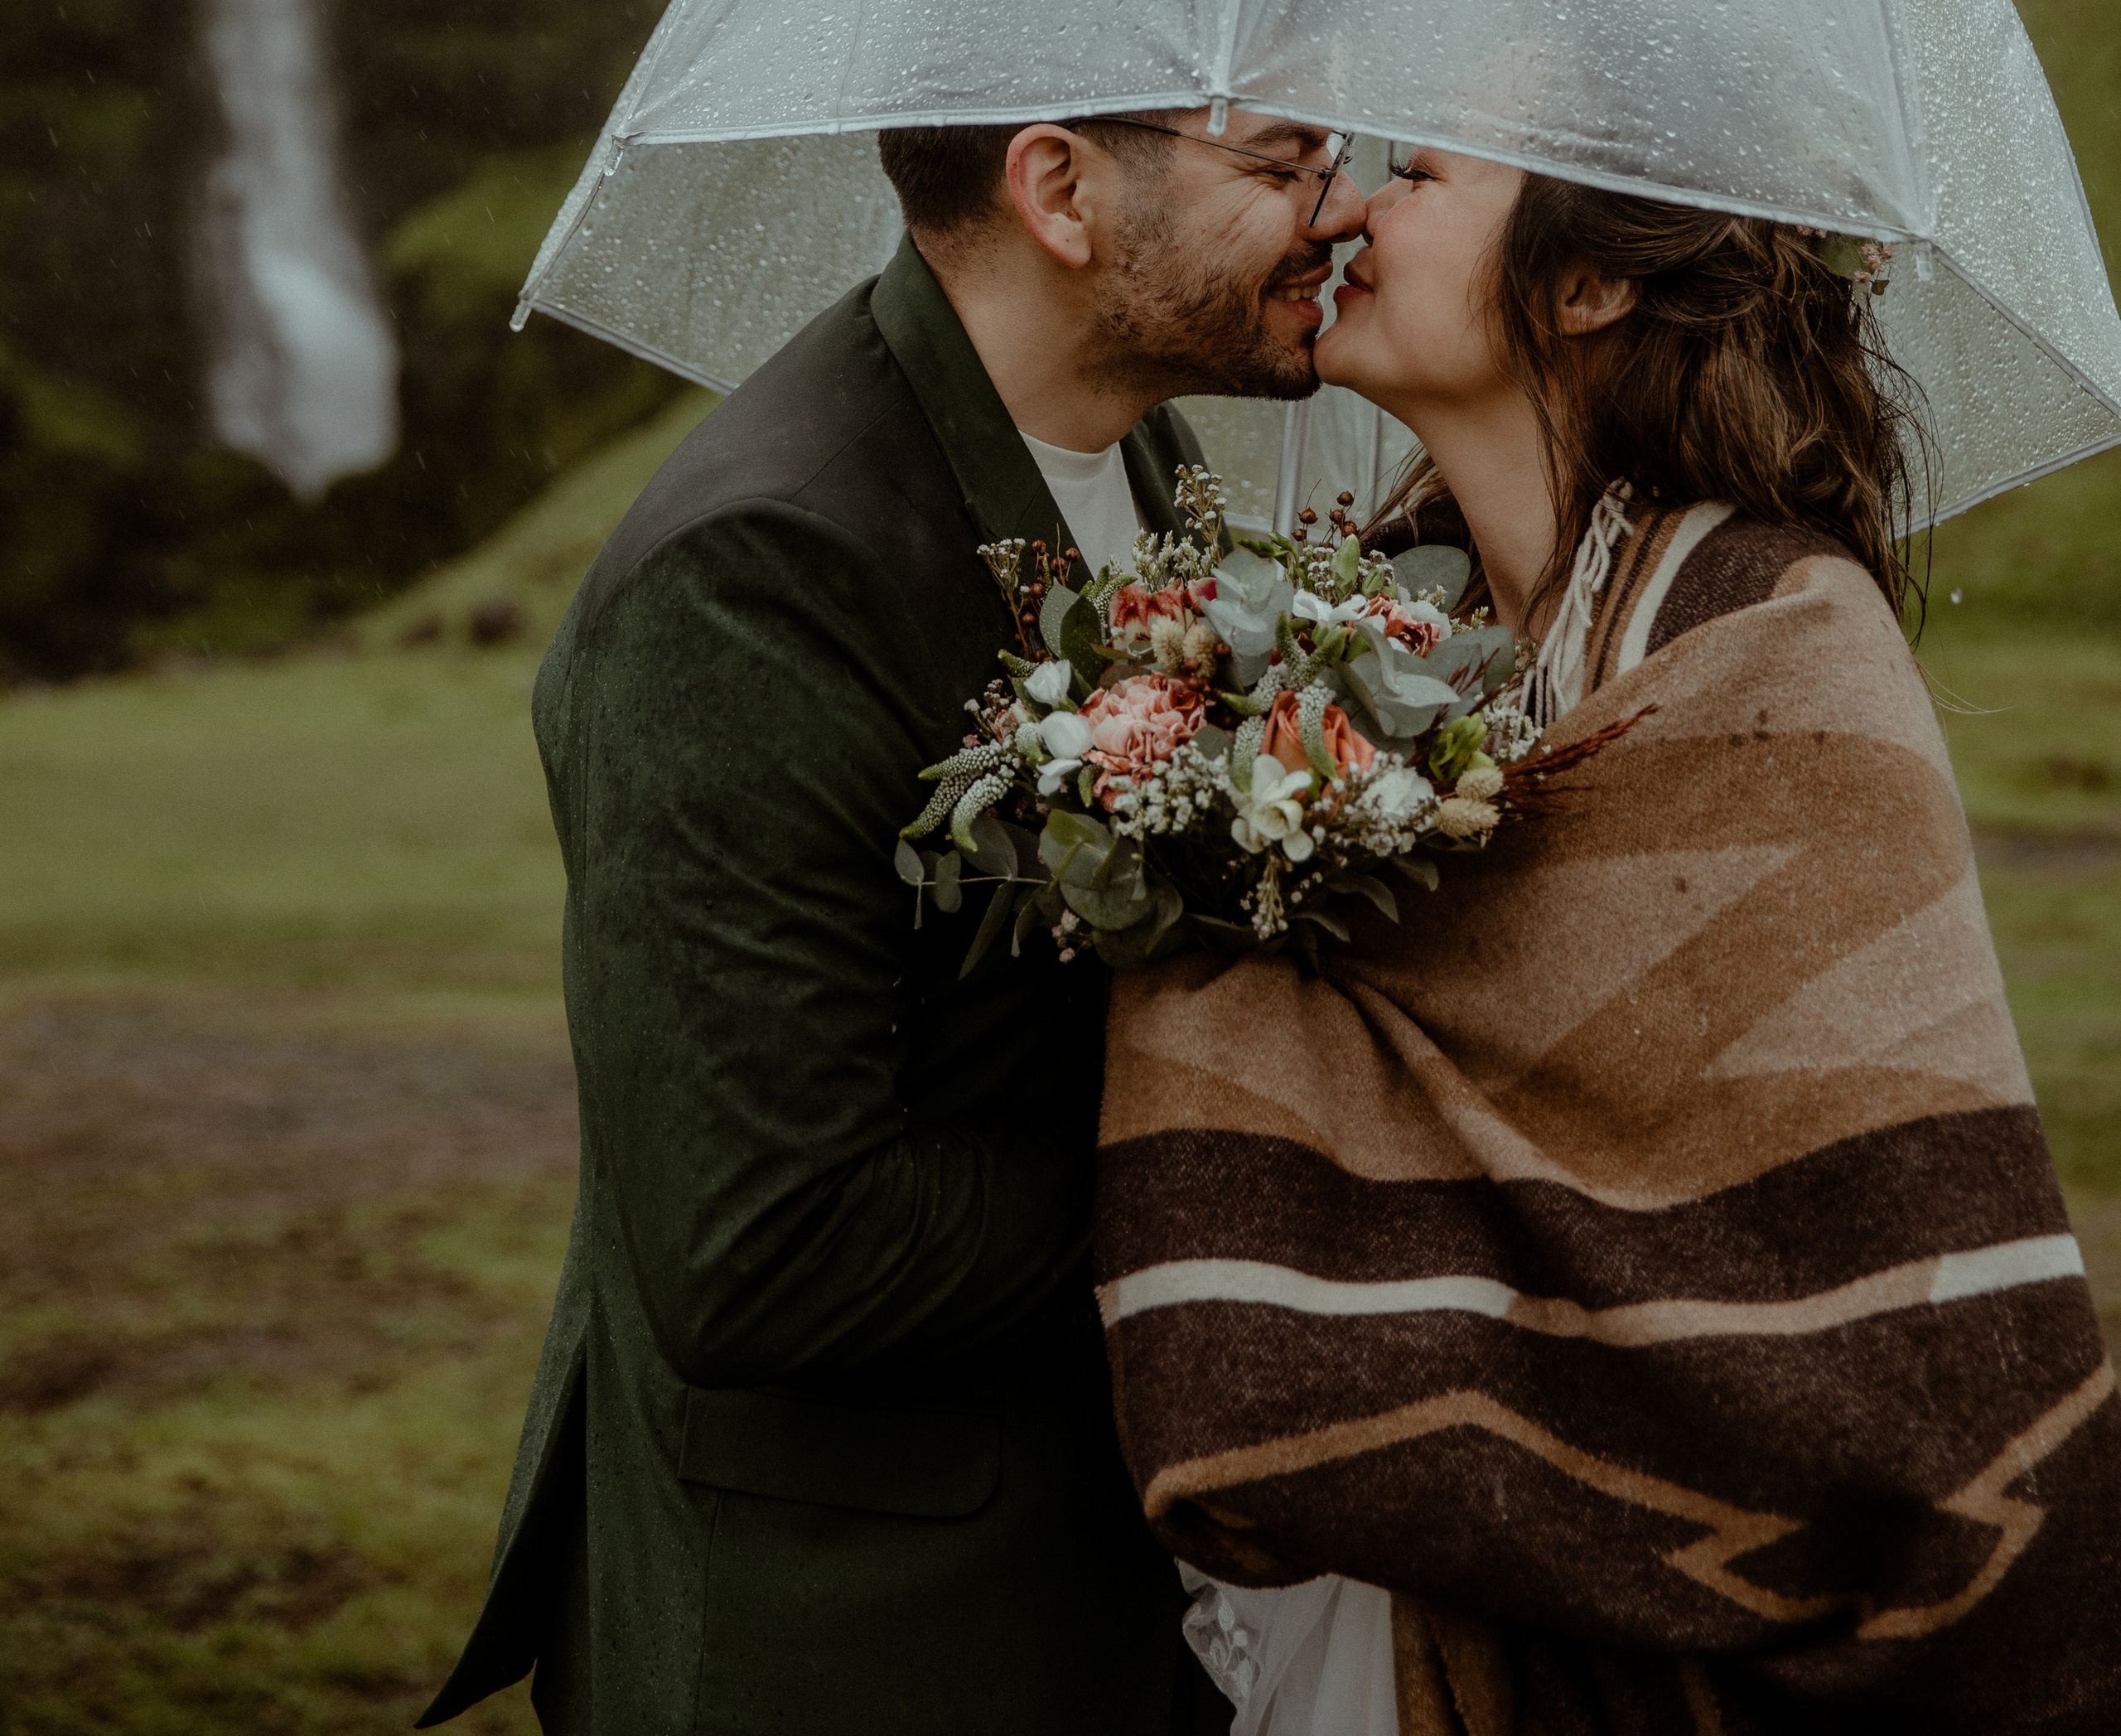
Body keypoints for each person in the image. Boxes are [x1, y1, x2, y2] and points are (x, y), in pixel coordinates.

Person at [1097, 147, 2121, 1734]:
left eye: (1416, 174)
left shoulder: (1778, 650)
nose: (1346, 208)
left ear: (1584, 283)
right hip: (1419, 1621)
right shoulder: (1382, 639)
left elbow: (1896, 1305)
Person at [418, 103, 1365, 1736]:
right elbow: (763, 1247)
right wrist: (1258, 1186)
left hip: (1119, 1584)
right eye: (1281, 164)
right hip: (867, 1627)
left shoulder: (1149, 461)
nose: (1333, 207)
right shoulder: (755, 573)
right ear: (1058, 188)